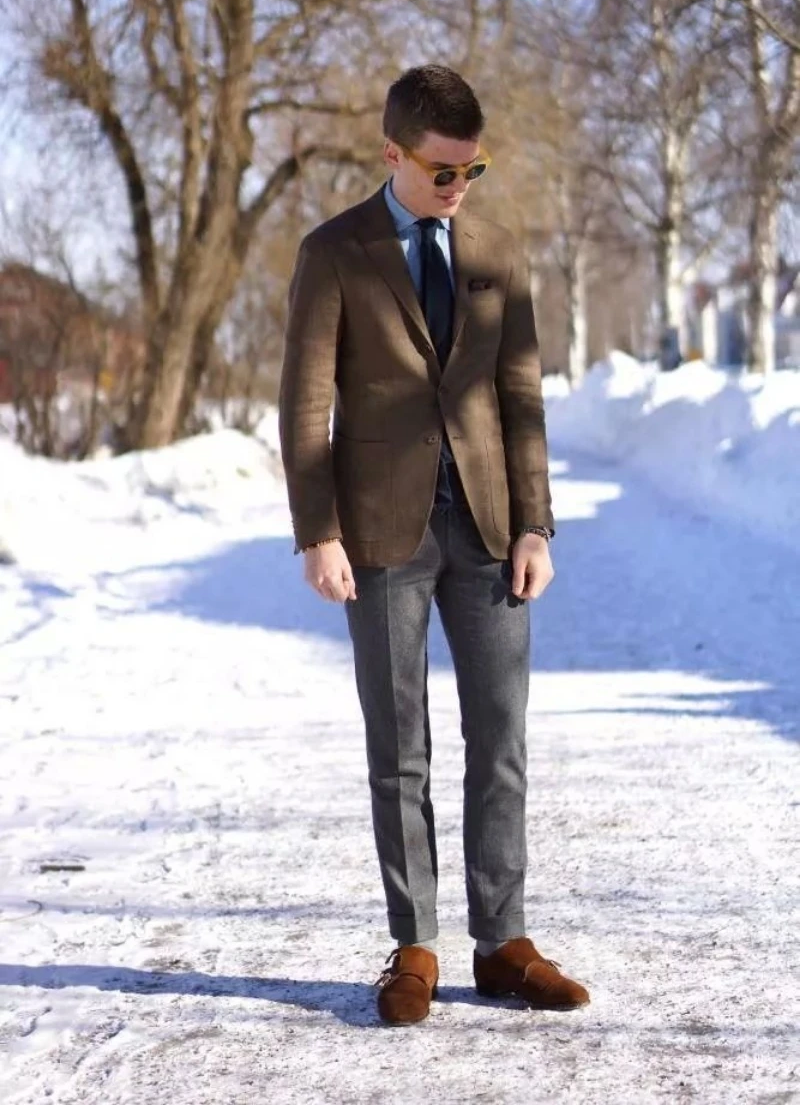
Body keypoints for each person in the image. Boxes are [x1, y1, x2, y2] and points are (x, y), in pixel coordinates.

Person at [278, 64, 590, 1024]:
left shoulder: (498, 249)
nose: (461, 187)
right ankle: (413, 945)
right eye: (445, 170)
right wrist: (317, 531)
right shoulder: (336, 251)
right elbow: (305, 405)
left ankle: (502, 945)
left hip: (491, 529)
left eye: (474, 169)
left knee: (500, 737)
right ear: (393, 155)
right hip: (380, 535)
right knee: (398, 744)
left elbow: (522, 395)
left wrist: (535, 522)